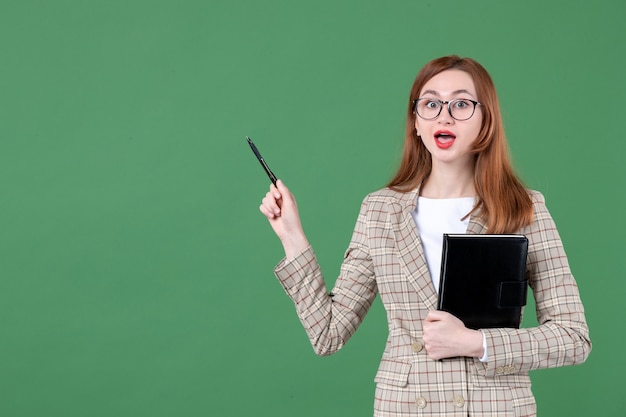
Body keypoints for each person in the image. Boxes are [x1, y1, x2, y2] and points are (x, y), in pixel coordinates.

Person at [258, 55, 591, 417]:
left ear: (486, 121)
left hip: (494, 407)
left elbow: (573, 338)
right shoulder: (379, 211)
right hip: (406, 407)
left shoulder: (521, 208)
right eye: (430, 103)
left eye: (461, 104)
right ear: (416, 121)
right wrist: (292, 237)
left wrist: (475, 342)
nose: (444, 116)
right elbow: (327, 334)